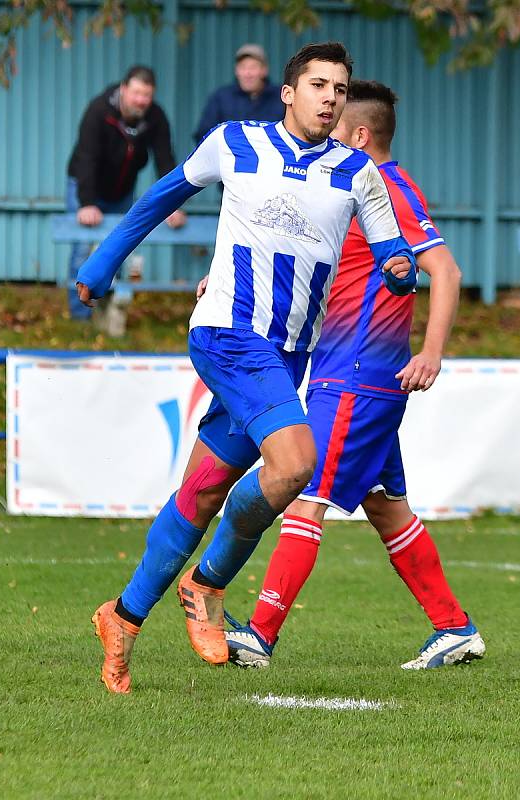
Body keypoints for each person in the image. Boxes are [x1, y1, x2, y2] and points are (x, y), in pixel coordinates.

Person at [76, 42, 417, 693]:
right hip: (228, 336)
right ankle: (206, 586)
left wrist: (401, 273)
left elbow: (392, 253)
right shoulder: (234, 142)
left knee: (202, 493)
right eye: (318, 84)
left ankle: (121, 619)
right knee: (293, 464)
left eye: (339, 89)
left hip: (284, 357)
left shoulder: (357, 173)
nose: (329, 97)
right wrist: (100, 265)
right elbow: (156, 199)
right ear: (288, 93)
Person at [223, 80, 486, 671]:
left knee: (304, 495)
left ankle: (259, 636)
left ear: (360, 136)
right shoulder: (349, 194)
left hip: (359, 373)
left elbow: (445, 269)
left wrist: (432, 353)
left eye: (337, 127)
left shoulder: (388, 186)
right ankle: (453, 627)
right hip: (349, 370)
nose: (327, 135)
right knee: (385, 504)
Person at [66, 65, 187, 320]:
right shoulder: (98, 111)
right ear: (123, 90)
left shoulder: (155, 117)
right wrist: (86, 203)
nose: (141, 100)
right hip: (86, 186)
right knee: (83, 248)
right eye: (136, 94)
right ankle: (79, 318)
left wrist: (173, 203)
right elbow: (87, 158)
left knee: (119, 249)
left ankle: (109, 316)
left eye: (147, 95)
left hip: (122, 189)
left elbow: (165, 160)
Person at [193, 44, 284, 143]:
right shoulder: (221, 98)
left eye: (253, 67)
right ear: (236, 71)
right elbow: (204, 135)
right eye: (243, 67)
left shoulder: (281, 98)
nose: (247, 73)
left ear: (264, 70)